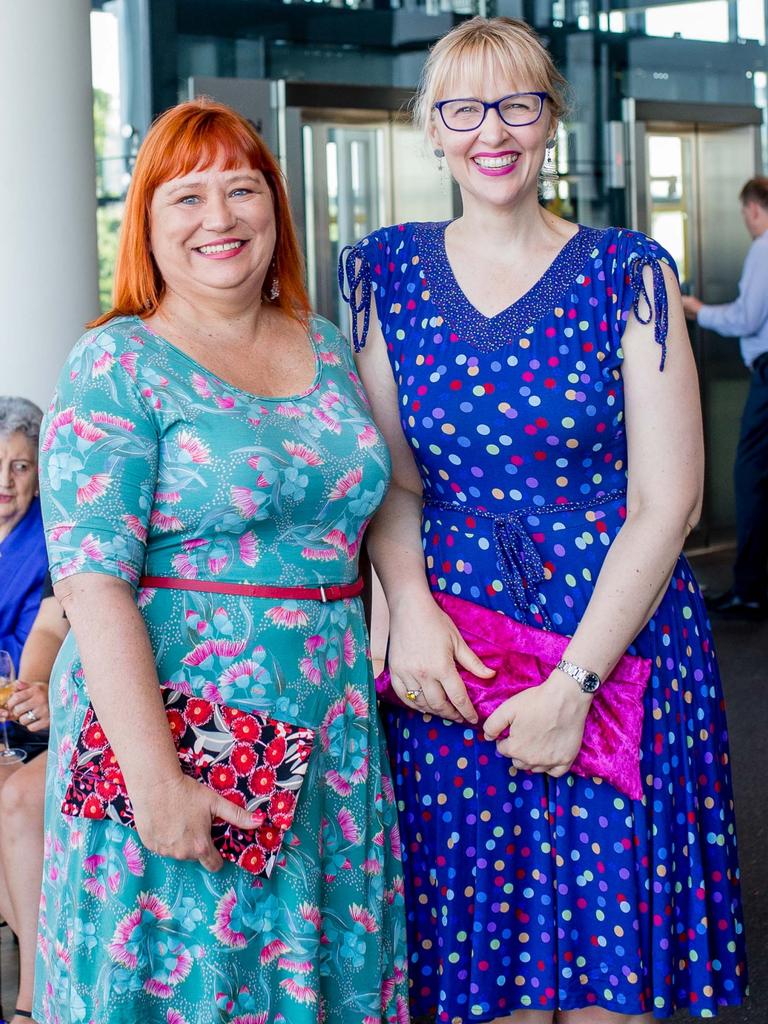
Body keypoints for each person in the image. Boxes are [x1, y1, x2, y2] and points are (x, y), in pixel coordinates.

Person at [340, 16, 747, 1024]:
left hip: (615, 644)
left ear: (550, 121)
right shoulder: (381, 270)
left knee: (615, 981)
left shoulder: (629, 271)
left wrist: (576, 681)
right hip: (456, 655)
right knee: (483, 976)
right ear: (432, 129)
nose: (493, 130)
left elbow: (669, 502)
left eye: (518, 103)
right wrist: (411, 606)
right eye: (463, 107)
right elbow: (388, 477)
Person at [35, 99, 407, 1024]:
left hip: (329, 728)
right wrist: (159, 784)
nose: (221, 217)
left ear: (275, 208)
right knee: (191, 976)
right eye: (186, 197)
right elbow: (92, 583)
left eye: (243, 189)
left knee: (317, 975)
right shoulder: (114, 362)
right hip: (179, 725)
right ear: (146, 227)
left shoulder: (326, 344)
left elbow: (380, 504)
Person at [682, 177, 768, 621]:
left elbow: (746, 318)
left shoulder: (764, 247)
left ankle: (751, 589)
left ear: (754, 209)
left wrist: (697, 310)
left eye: (745, 214)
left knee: (750, 477)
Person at [0, 575, 68, 1024]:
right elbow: (49, 627)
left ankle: (31, 1002)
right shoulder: (71, 546)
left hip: (101, 713)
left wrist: (58, 699)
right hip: (59, 716)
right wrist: (32, 688)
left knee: (21, 795)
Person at [0, 398, 48, 672]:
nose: (4, 480)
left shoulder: (47, 547)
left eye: (20, 467)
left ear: (38, 476)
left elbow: (23, 652)